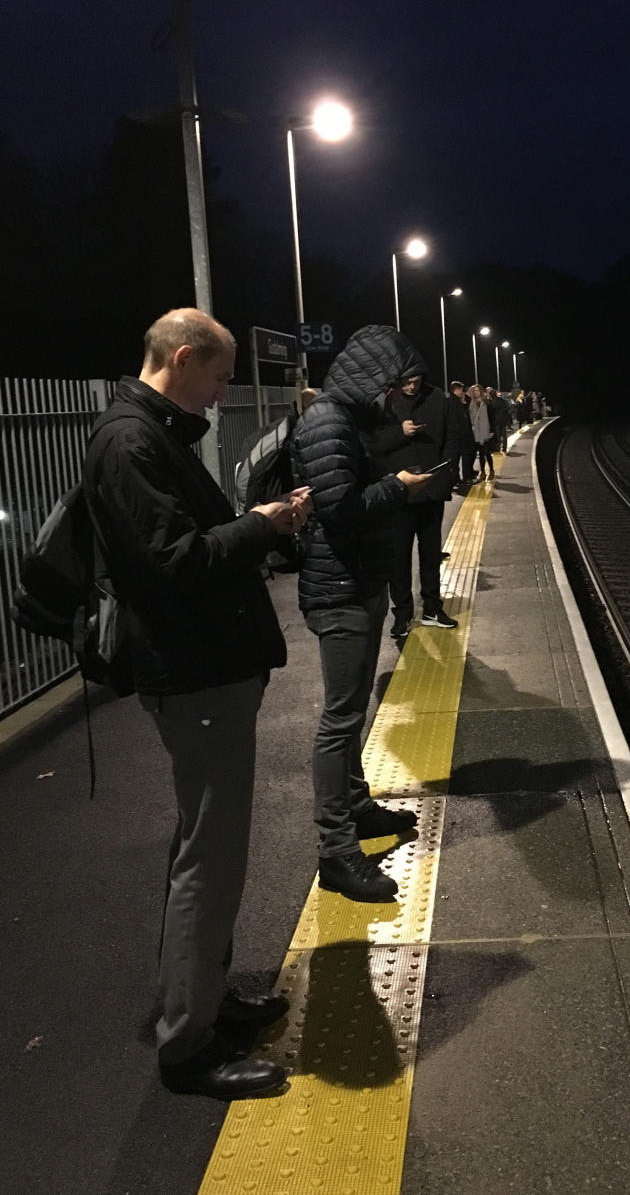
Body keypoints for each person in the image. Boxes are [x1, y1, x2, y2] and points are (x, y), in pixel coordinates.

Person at [82, 308, 311, 1100]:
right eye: (218, 377)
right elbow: (171, 567)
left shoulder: (148, 434)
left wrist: (255, 527)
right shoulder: (133, 442)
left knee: (206, 849)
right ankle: (189, 1045)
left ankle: (207, 1003)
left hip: (208, 674)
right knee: (208, 862)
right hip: (196, 678)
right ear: (182, 360)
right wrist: (261, 524)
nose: (222, 395)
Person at [293, 325, 434, 902]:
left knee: (349, 715)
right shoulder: (327, 422)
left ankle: (356, 808)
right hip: (340, 588)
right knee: (340, 720)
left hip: (359, 581)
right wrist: (397, 487)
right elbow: (342, 510)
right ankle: (337, 851)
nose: (396, 398)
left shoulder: (348, 420)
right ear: (370, 378)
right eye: (393, 386)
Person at [373, 368, 461, 638]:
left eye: (416, 381)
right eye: (406, 382)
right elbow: (373, 445)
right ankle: (402, 614)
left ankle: (433, 607)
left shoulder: (439, 399)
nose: (411, 387)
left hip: (431, 491)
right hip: (398, 493)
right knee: (397, 557)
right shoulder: (384, 401)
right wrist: (400, 432)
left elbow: (452, 438)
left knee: (431, 553)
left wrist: (443, 476)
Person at [447, 380, 476, 488]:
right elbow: (460, 419)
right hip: (460, 436)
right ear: (457, 389)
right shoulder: (455, 403)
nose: (462, 392)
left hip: (454, 436)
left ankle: (456, 480)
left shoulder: (450, 401)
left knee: (455, 461)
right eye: (461, 390)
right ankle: (463, 479)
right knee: (464, 458)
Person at [467, 383, 495, 479]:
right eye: (474, 391)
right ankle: (482, 471)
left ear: (481, 391)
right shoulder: (471, 403)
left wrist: (492, 431)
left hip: (486, 431)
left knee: (487, 452)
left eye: (477, 390)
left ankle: (491, 470)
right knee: (481, 453)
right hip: (476, 433)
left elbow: (492, 417)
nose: (476, 393)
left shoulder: (487, 402)